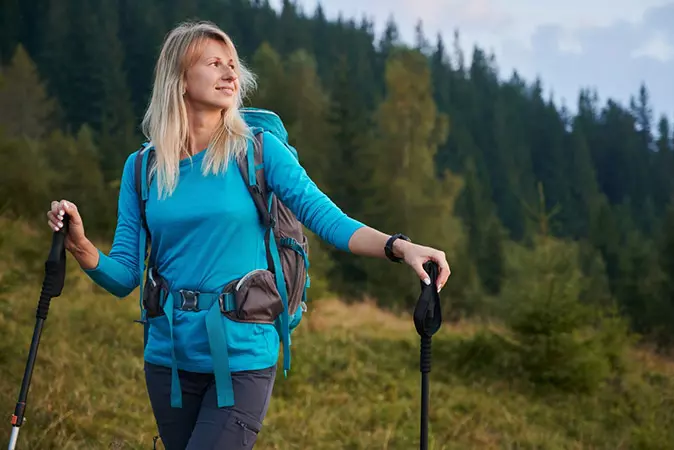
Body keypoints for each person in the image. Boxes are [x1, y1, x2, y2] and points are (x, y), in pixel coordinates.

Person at [45, 20, 450, 450]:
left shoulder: (258, 152)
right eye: (214, 63)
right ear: (179, 79)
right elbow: (125, 275)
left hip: (243, 355)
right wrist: (82, 247)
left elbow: (328, 219)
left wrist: (400, 247)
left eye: (233, 64)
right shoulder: (142, 168)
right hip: (169, 359)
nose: (230, 74)